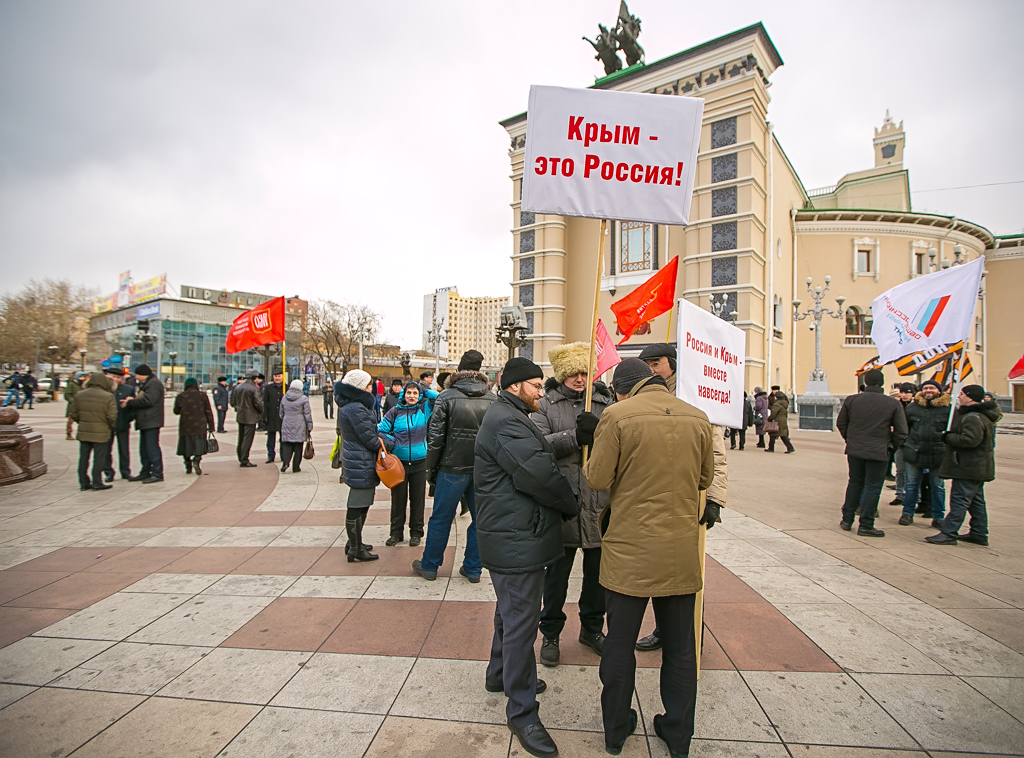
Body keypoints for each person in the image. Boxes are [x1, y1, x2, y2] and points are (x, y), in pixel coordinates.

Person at [583, 358, 715, 758]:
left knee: (619, 645)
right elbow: (706, 478)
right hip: (679, 549)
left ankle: (616, 730)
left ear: (622, 390)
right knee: (680, 647)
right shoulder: (698, 416)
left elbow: (597, 478)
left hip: (629, 549)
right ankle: (677, 734)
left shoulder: (618, 415)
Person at [475, 356, 580, 758]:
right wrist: (570, 502)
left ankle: (499, 673)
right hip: (516, 535)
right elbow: (537, 474)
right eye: (536, 386)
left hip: (516, 532)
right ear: (515, 385)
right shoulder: (506, 420)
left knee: (511, 612)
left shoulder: (510, 414)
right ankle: (522, 713)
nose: (541, 391)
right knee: (521, 621)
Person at [635, 342, 728, 653]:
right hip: (651, 499)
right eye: (646, 364)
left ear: (672, 364)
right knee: (657, 569)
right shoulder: (639, 396)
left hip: (688, 498)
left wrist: (714, 499)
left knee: (684, 572)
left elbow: (715, 451)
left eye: (656, 363)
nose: (651, 369)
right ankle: (665, 629)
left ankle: (688, 635)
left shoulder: (694, 397)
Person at [531, 342, 612, 667]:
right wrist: (574, 437)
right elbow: (538, 445)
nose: (580, 379)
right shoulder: (545, 405)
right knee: (556, 577)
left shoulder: (605, 402)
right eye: (573, 373)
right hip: (563, 502)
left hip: (600, 503)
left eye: (584, 372)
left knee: (597, 577)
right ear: (563, 375)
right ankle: (550, 632)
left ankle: (592, 629)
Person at [414, 350, 494, 582]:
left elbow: (435, 438)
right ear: (480, 370)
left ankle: (429, 565)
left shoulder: (446, 396)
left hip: (451, 468)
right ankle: (473, 568)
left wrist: (431, 469)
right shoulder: (492, 398)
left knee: (440, 518)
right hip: (481, 469)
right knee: (481, 521)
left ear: (459, 370)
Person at [925, 385, 1002, 546]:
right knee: (976, 501)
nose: (959, 397)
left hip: (968, 466)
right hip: (976, 467)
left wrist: (948, 437)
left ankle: (948, 532)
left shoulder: (973, 417)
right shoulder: (980, 415)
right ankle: (979, 532)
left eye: (961, 394)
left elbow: (970, 440)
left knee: (959, 501)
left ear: (970, 397)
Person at [836, 369, 907, 537]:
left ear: (866, 382)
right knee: (873, 486)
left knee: (855, 483)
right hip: (879, 450)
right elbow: (902, 431)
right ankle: (866, 524)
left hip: (856, 449)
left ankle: (847, 519)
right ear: (882, 383)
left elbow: (841, 423)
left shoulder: (852, 400)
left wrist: (850, 439)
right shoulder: (893, 403)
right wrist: (891, 446)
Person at [337, 369, 394, 562]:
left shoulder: (352, 405)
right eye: (369, 384)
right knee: (357, 506)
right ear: (360, 387)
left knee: (362, 504)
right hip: (360, 462)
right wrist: (390, 442)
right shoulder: (356, 408)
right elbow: (369, 438)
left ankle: (355, 541)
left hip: (358, 460)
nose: (372, 388)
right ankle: (354, 547)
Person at [378, 381, 438, 546]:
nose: (412, 396)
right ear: (403, 395)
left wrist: (424, 390)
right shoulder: (394, 412)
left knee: (417, 499)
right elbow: (381, 431)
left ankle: (416, 533)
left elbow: (439, 398)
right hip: (399, 463)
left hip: (420, 462)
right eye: (409, 393)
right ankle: (396, 533)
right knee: (398, 499)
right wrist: (393, 441)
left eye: (415, 393)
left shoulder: (423, 409)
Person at [898, 380, 949, 528]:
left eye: (932, 388)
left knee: (937, 486)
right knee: (912, 484)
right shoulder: (913, 408)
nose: (928, 390)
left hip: (937, 453)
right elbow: (904, 427)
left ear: (939, 391)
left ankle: (938, 516)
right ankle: (907, 513)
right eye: (926, 388)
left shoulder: (947, 409)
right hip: (914, 451)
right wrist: (904, 443)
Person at [68, 371, 118, 491]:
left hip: (84, 430)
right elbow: (112, 416)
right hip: (101, 431)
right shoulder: (108, 396)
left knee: (84, 458)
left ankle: (83, 482)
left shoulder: (80, 394)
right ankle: (97, 481)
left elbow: (73, 413)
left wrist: (82, 421)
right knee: (99, 458)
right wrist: (109, 426)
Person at [120, 365, 165, 484]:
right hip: (146, 421)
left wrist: (131, 402)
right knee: (144, 449)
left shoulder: (153, 384)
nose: (136, 378)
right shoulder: (149, 383)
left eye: (137, 375)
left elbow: (149, 400)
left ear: (141, 374)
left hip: (151, 420)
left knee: (152, 447)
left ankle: (157, 472)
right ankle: (145, 471)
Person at [173, 377, 215, 475]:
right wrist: (211, 426)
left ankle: (187, 464)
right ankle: (196, 460)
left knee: (186, 446)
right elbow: (208, 411)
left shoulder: (181, 396)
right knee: (199, 446)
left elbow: (176, 411)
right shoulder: (202, 395)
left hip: (185, 426)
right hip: (200, 425)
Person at [103, 368, 134, 482]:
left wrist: (129, 416)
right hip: (106, 424)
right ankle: (108, 472)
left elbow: (132, 407)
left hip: (122, 421)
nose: (115, 380)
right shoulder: (104, 389)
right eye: (113, 377)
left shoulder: (128, 389)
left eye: (118, 377)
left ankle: (125, 471)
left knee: (124, 449)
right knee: (106, 450)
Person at [889, 383, 917, 505]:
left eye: (907, 393)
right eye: (902, 392)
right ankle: (900, 493)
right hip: (900, 443)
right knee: (900, 470)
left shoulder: (916, 408)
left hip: (913, 443)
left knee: (912, 473)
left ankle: (914, 496)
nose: (904, 395)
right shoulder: (897, 406)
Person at [279, 378, 313, 473]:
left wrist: (286, 418)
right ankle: (296, 467)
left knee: (287, 444)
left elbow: (281, 413)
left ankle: (285, 463)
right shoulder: (303, 399)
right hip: (299, 423)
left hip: (287, 422)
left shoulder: (284, 397)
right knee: (298, 446)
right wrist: (309, 427)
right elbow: (307, 414)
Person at [232, 370, 264, 468]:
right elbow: (259, 402)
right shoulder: (254, 389)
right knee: (247, 438)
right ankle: (244, 459)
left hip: (241, 415)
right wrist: (262, 411)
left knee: (241, 437)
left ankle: (240, 456)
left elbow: (234, 402)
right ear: (254, 377)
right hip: (251, 416)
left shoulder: (237, 387)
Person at [262, 369, 284, 464]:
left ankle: (284, 455)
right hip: (271, 416)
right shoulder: (268, 388)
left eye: (279, 376)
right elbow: (265, 402)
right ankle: (271, 455)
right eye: (275, 376)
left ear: (282, 377)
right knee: (271, 438)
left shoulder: (286, 388)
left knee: (283, 438)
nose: (277, 378)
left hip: (283, 417)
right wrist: (264, 416)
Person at [765, 389, 795, 453]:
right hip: (783, 421)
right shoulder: (784, 403)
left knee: (773, 434)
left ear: (776, 397)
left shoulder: (777, 404)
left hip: (777, 421)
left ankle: (771, 448)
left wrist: (769, 419)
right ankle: (790, 447)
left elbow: (773, 414)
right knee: (783, 435)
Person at [64, 371, 86, 440]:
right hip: (73, 406)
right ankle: (69, 433)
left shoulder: (84, 385)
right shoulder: (72, 384)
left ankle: (83, 434)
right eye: (80, 377)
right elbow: (67, 395)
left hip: (82, 405)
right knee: (71, 420)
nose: (82, 378)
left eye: (83, 377)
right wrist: (73, 401)